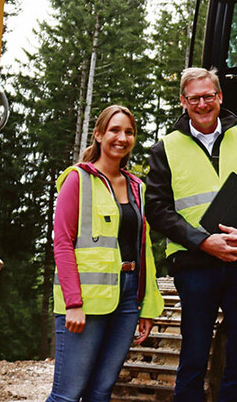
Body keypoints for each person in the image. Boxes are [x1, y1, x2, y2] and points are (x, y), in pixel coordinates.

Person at [145, 67, 237, 402]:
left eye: (208, 96)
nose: (202, 104)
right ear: (183, 101)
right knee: (193, 356)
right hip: (194, 265)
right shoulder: (165, 149)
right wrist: (203, 242)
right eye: (194, 99)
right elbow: (157, 209)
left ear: (219, 96)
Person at [48, 105, 164, 402]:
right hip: (86, 300)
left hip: (128, 299)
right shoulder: (78, 179)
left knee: (101, 392)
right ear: (98, 135)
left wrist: (147, 306)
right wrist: (73, 303)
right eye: (114, 130)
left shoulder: (137, 187)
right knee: (67, 394)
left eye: (129, 132)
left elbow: (144, 249)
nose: (122, 138)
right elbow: (62, 243)